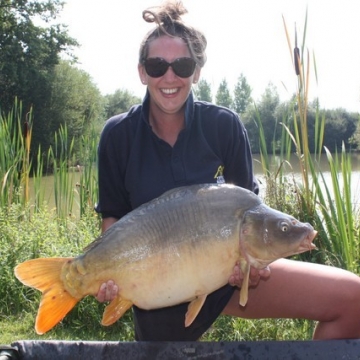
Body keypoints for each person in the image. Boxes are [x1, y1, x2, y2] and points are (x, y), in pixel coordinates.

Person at [95, 0, 360, 341]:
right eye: (157, 65)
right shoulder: (118, 135)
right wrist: (107, 275)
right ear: (142, 71)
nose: (170, 76)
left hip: (228, 279)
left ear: (197, 71)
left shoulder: (224, 125)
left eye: (183, 65)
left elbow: (251, 212)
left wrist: (249, 267)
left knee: (353, 298)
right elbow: (112, 221)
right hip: (157, 282)